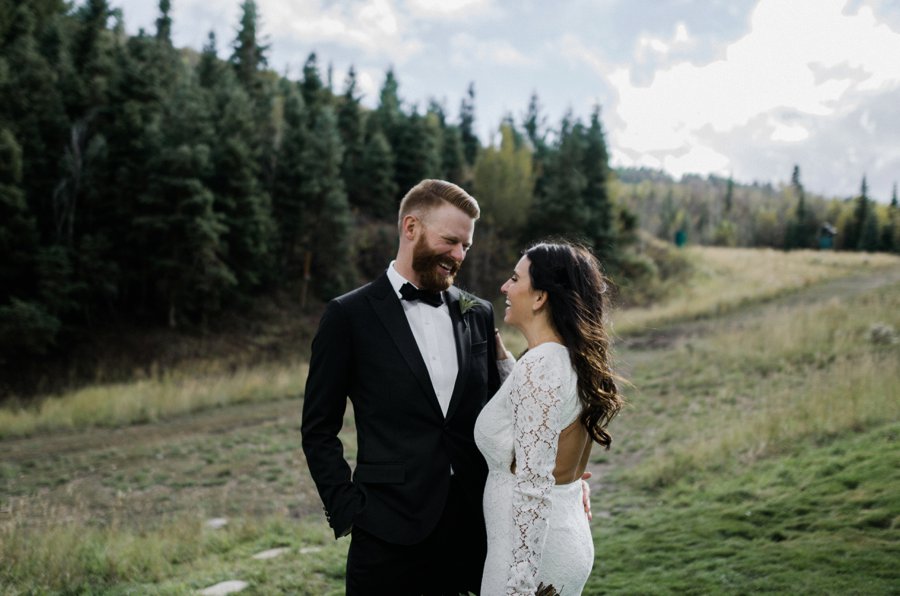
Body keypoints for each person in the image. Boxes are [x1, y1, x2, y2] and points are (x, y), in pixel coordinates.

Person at [301, 179, 509, 594]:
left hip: (470, 530)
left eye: (465, 246)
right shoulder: (348, 316)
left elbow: (500, 415)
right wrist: (347, 508)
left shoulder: (478, 313)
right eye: (450, 241)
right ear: (411, 228)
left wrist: (565, 481)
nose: (458, 255)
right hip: (385, 531)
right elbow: (318, 428)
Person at [474, 241, 623, 595]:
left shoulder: (540, 367)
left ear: (540, 297)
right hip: (562, 536)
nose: (504, 288)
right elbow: (537, 417)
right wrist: (505, 362)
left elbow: (533, 487)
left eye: (515, 278)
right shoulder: (564, 358)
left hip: (530, 559)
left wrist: (520, 586)